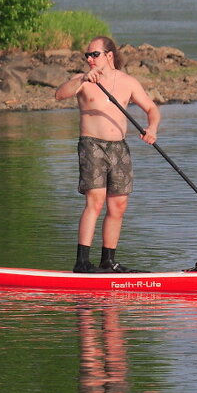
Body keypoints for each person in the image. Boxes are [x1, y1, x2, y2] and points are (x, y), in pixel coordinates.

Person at [55, 36, 160, 273]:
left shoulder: (128, 81)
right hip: (92, 145)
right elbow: (59, 94)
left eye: (95, 54)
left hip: (119, 148)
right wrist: (81, 78)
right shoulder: (82, 80)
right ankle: (82, 262)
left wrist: (152, 128)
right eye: (87, 55)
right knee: (95, 201)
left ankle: (108, 261)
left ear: (109, 55)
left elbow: (152, 109)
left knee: (118, 205)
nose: (89, 59)